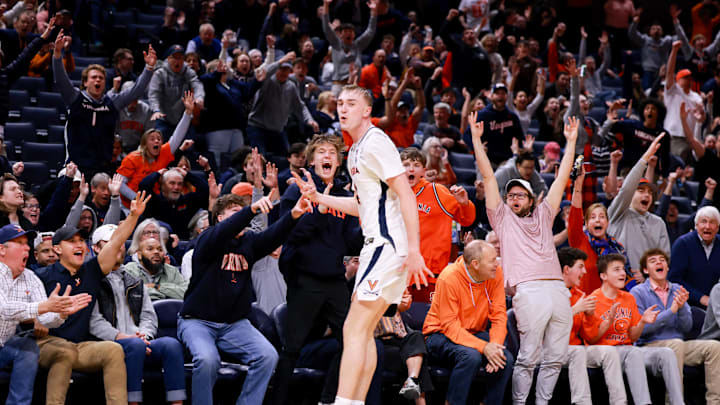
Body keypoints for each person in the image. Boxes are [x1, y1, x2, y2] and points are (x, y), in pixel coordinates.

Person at [291, 84, 431, 404]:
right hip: (377, 245)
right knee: (363, 332)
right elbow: (362, 206)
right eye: (340, 103)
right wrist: (320, 198)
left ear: (367, 110)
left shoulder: (376, 142)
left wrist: (414, 250)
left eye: (351, 103)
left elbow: (407, 194)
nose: (343, 108)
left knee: (352, 329)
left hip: (386, 245)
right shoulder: (354, 150)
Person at [469, 109, 579, 403]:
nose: (514, 198)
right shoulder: (502, 219)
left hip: (557, 288)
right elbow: (489, 176)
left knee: (555, 357)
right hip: (528, 289)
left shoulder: (544, 215)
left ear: (532, 199)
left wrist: (571, 142)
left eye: (520, 195)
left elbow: (561, 180)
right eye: (511, 195)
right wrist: (477, 141)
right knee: (529, 355)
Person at [178, 191, 311, 405]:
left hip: (234, 325)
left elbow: (272, 236)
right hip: (198, 321)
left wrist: (294, 214)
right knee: (207, 359)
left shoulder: (248, 241)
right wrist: (250, 210)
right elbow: (227, 229)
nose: (243, 218)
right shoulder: (208, 238)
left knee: (267, 356)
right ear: (220, 217)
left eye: (242, 212)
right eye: (234, 212)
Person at [34, 192, 151, 405]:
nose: (79, 245)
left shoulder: (91, 271)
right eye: (72, 241)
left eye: (81, 241)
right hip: (47, 345)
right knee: (63, 352)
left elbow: (116, 241)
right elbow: (26, 308)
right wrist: (36, 319)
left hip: (79, 346)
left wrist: (133, 217)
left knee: (113, 349)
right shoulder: (41, 276)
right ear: (57, 249)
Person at [272, 134, 363, 405]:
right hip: (304, 277)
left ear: (338, 162)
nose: (327, 156)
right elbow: (289, 234)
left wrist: (365, 218)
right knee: (291, 349)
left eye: (332, 153)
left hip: (334, 280)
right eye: (321, 152)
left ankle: (328, 400)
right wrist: (320, 210)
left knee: (351, 342)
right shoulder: (296, 189)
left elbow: (351, 242)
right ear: (312, 160)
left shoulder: (344, 196)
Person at [88, 224, 186, 405]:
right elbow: (94, 322)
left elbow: (149, 316)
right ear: (96, 248)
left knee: (171, 345)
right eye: (110, 243)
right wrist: (125, 337)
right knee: (134, 345)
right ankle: (132, 402)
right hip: (107, 343)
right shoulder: (92, 280)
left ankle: (177, 403)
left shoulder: (135, 280)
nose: (117, 247)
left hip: (139, 341)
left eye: (120, 242)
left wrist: (144, 336)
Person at [0, 223, 90, 405]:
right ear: (2, 250)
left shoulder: (30, 278)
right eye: (20, 243)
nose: (27, 247)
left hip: (5, 345)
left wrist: (61, 313)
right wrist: (43, 306)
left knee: (28, 348)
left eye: (27, 243)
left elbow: (45, 318)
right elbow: (3, 309)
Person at [583, 253, 685, 405]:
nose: (623, 273)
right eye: (616, 270)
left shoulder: (628, 298)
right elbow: (592, 339)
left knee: (667, 353)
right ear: (603, 275)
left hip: (628, 351)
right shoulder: (593, 300)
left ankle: (678, 403)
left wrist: (642, 321)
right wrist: (608, 321)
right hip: (605, 352)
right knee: (634, 352)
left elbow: (632, 337)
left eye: (623, 269)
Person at [53, 30, 157, 177]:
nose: (98, 80)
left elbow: (136, 90)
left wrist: (149, 69)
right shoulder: (75, 98)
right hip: (75, 167)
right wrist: (57, 54)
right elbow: (60, 79)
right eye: (94, 77)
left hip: (101, 169)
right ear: (85, 82)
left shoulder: (112, 102)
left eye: (101, 78)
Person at [423, 240, 513, 405]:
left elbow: (499, 315)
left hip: (473, 333)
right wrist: (484, 347)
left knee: (504, 358)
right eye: (492, 260)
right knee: (470, 356)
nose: (497, 264)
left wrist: (495, 346)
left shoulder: (495, 273)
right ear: (475, 264)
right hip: (438, 334)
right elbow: (450, 327)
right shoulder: (449, 278)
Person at [632, 248, 720, 404]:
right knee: (676, 345)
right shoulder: (637, 292)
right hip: (649, 347)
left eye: (662, 260)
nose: (659, 262)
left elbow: (686, 328)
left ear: (667, 267)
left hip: (678, 345)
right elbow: (641, 331)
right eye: (653, 261)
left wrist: (680, 310)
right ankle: (674, 401)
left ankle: (714, 402)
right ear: (645, 270)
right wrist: (670, 312)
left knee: (713, 347)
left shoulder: (677, 289)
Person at [401, 147, 475, 303]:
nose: (411, 169)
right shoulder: (392, 195)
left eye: (416, 165)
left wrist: (464, 204)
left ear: (424, 171)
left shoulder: (437, 192)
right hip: (399, 275)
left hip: (430, 275)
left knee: (431, 322)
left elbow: (467, 220)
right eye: (406, 165)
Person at [558, 247, 628, 405]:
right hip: (551, 349)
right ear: (567, 269)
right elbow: (547, 326)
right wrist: (575, 310)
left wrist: (594, 317)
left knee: (609, 352)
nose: (584, 272)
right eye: (580, 267)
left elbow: (590, 336)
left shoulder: (580, 295)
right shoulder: (550, 292)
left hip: (576, 349)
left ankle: (619, 402)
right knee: (577, 352)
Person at [607, 133, 670, 271]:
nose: (646, 195)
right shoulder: (618, 213)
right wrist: (645, 158)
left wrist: (647, 275)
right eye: (641, 190)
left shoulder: (658, 222)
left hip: (648, 284)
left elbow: (664, 258)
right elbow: (627, 189)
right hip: (618, 281)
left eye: (649, 192)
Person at [117, 91, 195, 202]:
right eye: (152, 139)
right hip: (129, 205)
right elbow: (119, 184)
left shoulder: (163, 152)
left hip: (153, 204)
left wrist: (187, 113)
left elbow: (177, 136)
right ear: (144, 144)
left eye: (159, 139)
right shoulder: (132, 158)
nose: (157, 141)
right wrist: (136, 199)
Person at [568, 166, 631, 293]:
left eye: (602, 217)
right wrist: (578, 185)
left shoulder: (617, 248)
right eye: (592, 217)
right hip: (586, 305)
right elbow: (575, 214)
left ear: (607, 223)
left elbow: (625, 280)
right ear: (586, 223)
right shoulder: (580, 241)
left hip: (611, 306)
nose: (597, 220)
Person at [148, 44, 205, 141]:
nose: (177, 61)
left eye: (180, 58)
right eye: (174, 57)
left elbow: (197, 84)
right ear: (168, 59)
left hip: (183, 118)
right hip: (164, 119)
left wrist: (199, 97)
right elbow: (154, 94)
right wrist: (156, 110)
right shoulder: (160, 73)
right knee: (161, 148)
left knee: (190, 148)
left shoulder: (188, 71)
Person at [320, 0, 378, 94]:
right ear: (340, 35)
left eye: (351, 31)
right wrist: (326, 4)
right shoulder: (336, 43)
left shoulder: (358, 45)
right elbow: (326, 27)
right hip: (339, 86)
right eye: (345, 31)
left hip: (355, 86)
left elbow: (370, 31)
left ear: (354, 35)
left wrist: (374, 12)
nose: (348, 33)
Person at [668, 206, 720, 307]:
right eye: (703, 221)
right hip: (688, 304)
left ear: (718, 227)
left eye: (712, 222)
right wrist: (700, 298)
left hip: (717, 304)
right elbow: (674, 279)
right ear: (696, 225)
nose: (707, 226)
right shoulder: (682, 244)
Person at [138, 167, 209, 239]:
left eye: (180, 184)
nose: (176, 187)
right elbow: (144, 186)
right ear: (162, 185)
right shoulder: (153, 201)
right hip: (157, 242)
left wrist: (188, 175)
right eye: (172, 183)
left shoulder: (188, 201)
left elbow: (205, 190)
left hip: (183, 243)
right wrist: (158, 173)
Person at [463, 83, 524, 167]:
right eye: (497, 93)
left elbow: (520, 138)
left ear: (507, 97)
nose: (500, 96)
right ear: (491, 96)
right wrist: (476, 147)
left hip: (507, 160)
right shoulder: (482, 115)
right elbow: (467, 135)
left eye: (503, 93)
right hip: (486, 158)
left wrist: (520, 148)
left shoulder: (512, 117)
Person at [664, 41, 703, 158]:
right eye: (685, 78)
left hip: (691, 138)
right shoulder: (673, 91)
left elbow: (702, 117)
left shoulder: (697, 96)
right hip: (675, 136)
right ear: (678, 80)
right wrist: (674, 50)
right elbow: (670, 72)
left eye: (690, 78)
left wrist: (702, 114)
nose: (689, 80)